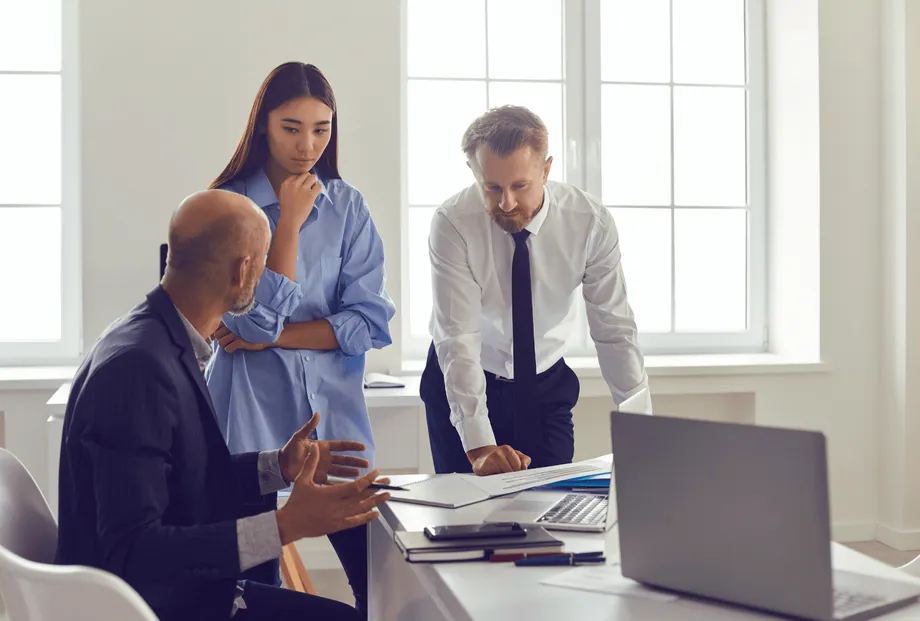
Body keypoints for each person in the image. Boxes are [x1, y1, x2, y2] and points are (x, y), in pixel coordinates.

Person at [55, 190, 389, 621]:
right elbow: (134, 549)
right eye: (266, 262)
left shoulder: (157, 335)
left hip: (180, 592)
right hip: (151, 607)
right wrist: (286, 524)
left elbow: (184, 478)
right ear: (245, 270)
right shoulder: (139, 368)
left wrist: (279, 465)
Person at [204, 62, 395, 615]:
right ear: (262, 124)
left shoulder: (349, 207)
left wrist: (274, 338)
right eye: (291, 127)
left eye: (322, 128)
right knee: (257, 590)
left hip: (337, 420)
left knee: (378, 583)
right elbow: (247, 325)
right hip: (251, 425)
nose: (307, 145)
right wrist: (287, 222)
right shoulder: (228, 205)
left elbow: (368, 323)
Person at [421, 105, 651, 477]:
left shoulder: (589, 223)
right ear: (473, 172)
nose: (506, 203)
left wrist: (642, 428)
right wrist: (479, 445)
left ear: (545, 170)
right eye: (491, 187)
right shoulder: (452, 223)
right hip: (468, 377)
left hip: (545, 383)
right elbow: (457, 338)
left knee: (552, 514)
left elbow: (615, 331)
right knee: (468, 523)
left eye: (520, 186)